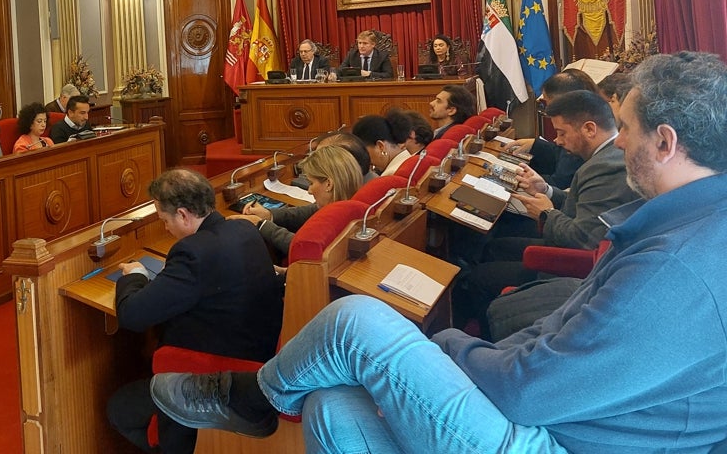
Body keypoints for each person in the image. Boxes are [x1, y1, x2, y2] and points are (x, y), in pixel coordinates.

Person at [149, 51, 727, 454]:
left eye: (625, 128)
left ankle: (258, 396)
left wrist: (446, 347)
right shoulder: (691, 227)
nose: (618, 140)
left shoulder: (678, 265)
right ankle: (266, 398)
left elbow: (528, 390)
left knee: (356, 322)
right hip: (566, 418)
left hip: (559, 440)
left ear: (667, 141)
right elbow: (563, 332)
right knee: (328, 406)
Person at [107, 169, 283, 454]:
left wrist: (135, 275)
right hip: (258, 351)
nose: (165, 228)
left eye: (165, 220)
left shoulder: (193, 252)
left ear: (183, 214)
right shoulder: (242, 229)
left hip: (218, 370)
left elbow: (132, 315)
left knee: (119, 409)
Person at [455, 90, 637, 330]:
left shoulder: (604, 166)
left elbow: (582, 240)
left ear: (590, 129)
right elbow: (581, 204)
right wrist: (547, 190)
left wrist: (547, 214)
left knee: (478, 278)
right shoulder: (604, 158)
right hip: (571, 245)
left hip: (573, 268)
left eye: (561, 133)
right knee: (494, 247)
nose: (558, 141)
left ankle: (489, 339)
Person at [231, 145, 364, 258]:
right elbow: (308, 211)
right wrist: (269, 215)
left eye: (311, 183)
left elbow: (303, 247)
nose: (309, 191)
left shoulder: (337, 218)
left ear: (329, 184)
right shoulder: (346, 203)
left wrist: (261, 224)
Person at [505, 68, 599, 190]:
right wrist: (535, 144)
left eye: (547, 103)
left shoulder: (578, 130)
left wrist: (515, 175)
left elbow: (560, 182)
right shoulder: (588, 113)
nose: (547, 110)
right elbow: (561, 153)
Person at [351, 110, 413, 178]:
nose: (364, 159)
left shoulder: (391, 174)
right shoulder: (411, 159)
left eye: (364, 152)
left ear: (380, 146)